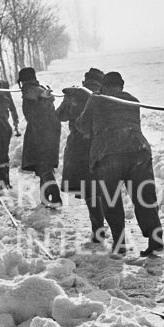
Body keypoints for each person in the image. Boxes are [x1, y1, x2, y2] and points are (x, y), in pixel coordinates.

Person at [76, 70, 164, 257]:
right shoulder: (133, 99)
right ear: (122, 86)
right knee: (144, 197)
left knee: (111, 200)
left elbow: (83, 126)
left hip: (109, 154)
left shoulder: (96, 100)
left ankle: (119, 242)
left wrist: (91, 101)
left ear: (103, 86)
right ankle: (155, 237)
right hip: (138, 151)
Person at [56, 67, 107, 244]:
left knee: (89, 192)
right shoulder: (104, 96)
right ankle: (108, 228)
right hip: (101, 148)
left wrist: (67, 98)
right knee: (103, 190)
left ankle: (98, 229)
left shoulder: (75, 94)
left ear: (85, 81)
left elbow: (59, 115)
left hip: (79, 149)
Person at [17, 67, 63, 208]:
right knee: (44, 165)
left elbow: (32, 115)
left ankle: (55, 197)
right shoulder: (40, 89)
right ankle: (45, 198)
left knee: (42, 166)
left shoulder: (30, 92)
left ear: (23, 81)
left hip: (40, 132)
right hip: (51, 131)